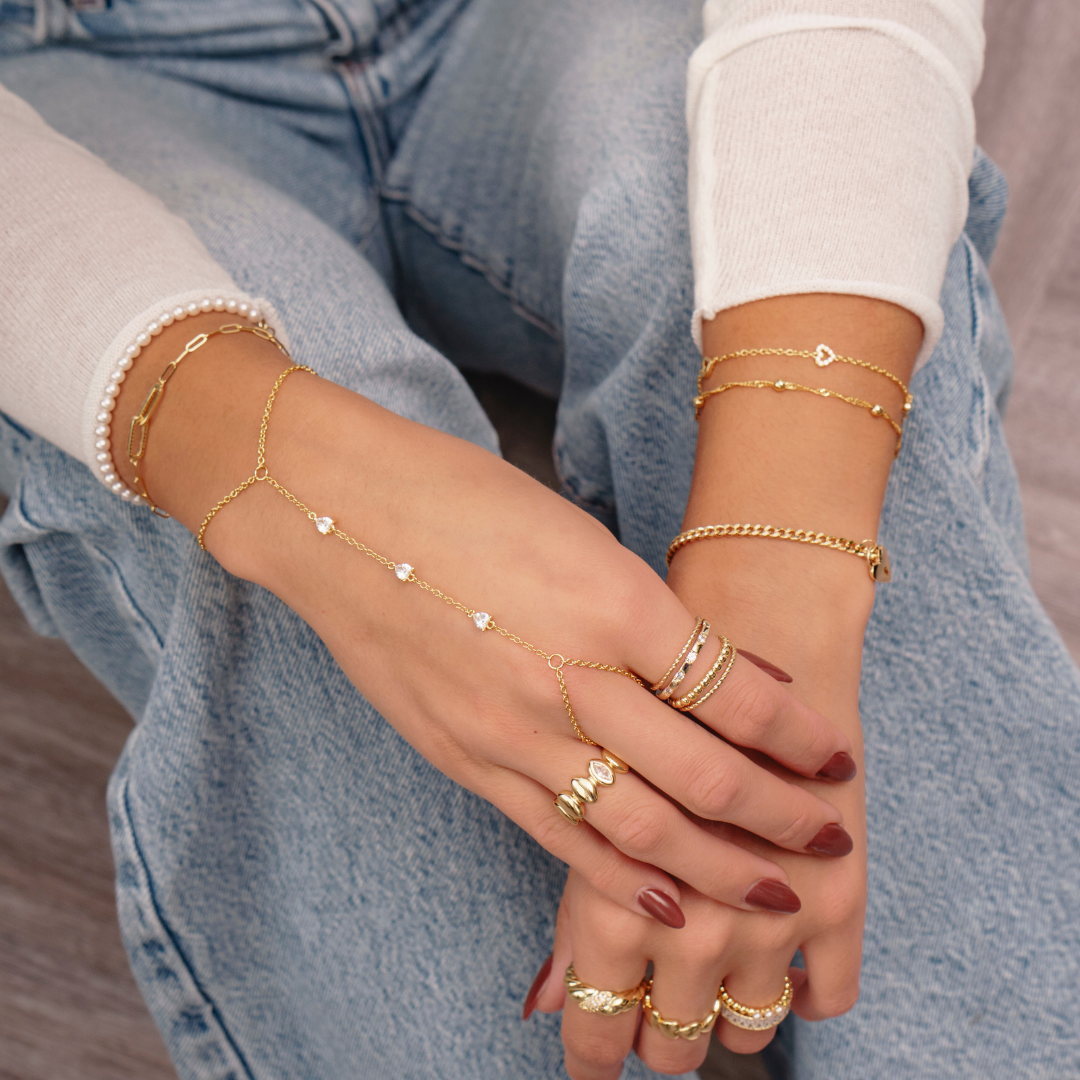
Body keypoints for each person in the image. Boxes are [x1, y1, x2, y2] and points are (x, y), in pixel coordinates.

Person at [0, 1, 1077, 1078]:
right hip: (60, 76)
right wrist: (289, 478)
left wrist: (789, 545)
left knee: (822, 272)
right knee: (284, 587)